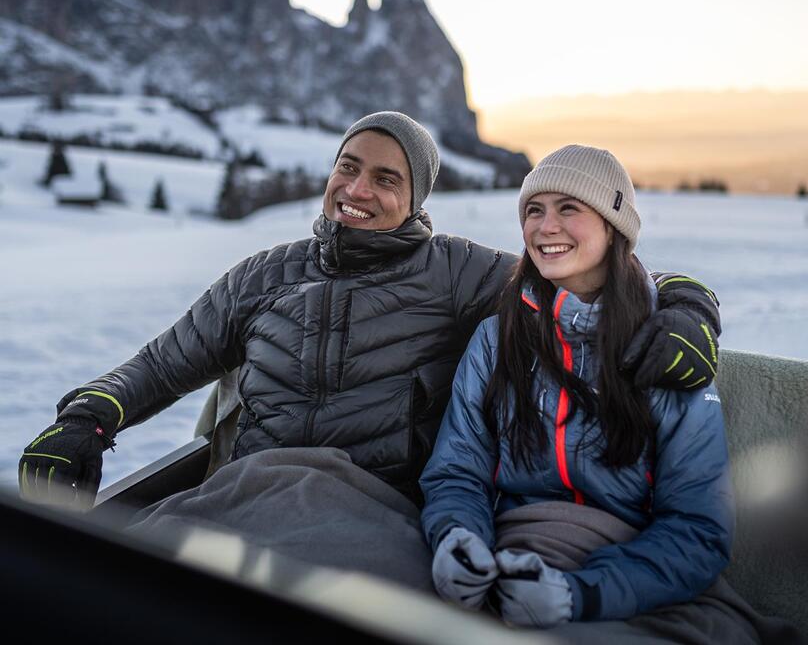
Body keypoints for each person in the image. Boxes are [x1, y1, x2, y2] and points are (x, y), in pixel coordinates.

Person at [19, 117, 720, 511]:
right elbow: (164, 362)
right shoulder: (264, 274)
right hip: (242, 491)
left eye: (387, 178)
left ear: (416, 198)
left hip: (372, 507)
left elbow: (584, 275)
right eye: (347, 167)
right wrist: (88, 417)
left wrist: (687, 304)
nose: (357, 189)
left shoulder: (456, 271)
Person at [420, 144, 734, 629]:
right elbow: (457, 471)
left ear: (614, 227)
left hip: (630, 574)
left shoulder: (667, 346)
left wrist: (582, 594)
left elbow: (697, 528)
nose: (545, 227)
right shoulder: (498, 337)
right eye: (533, 211)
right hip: (506, 556)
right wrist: (455, 537)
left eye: (569, 208)